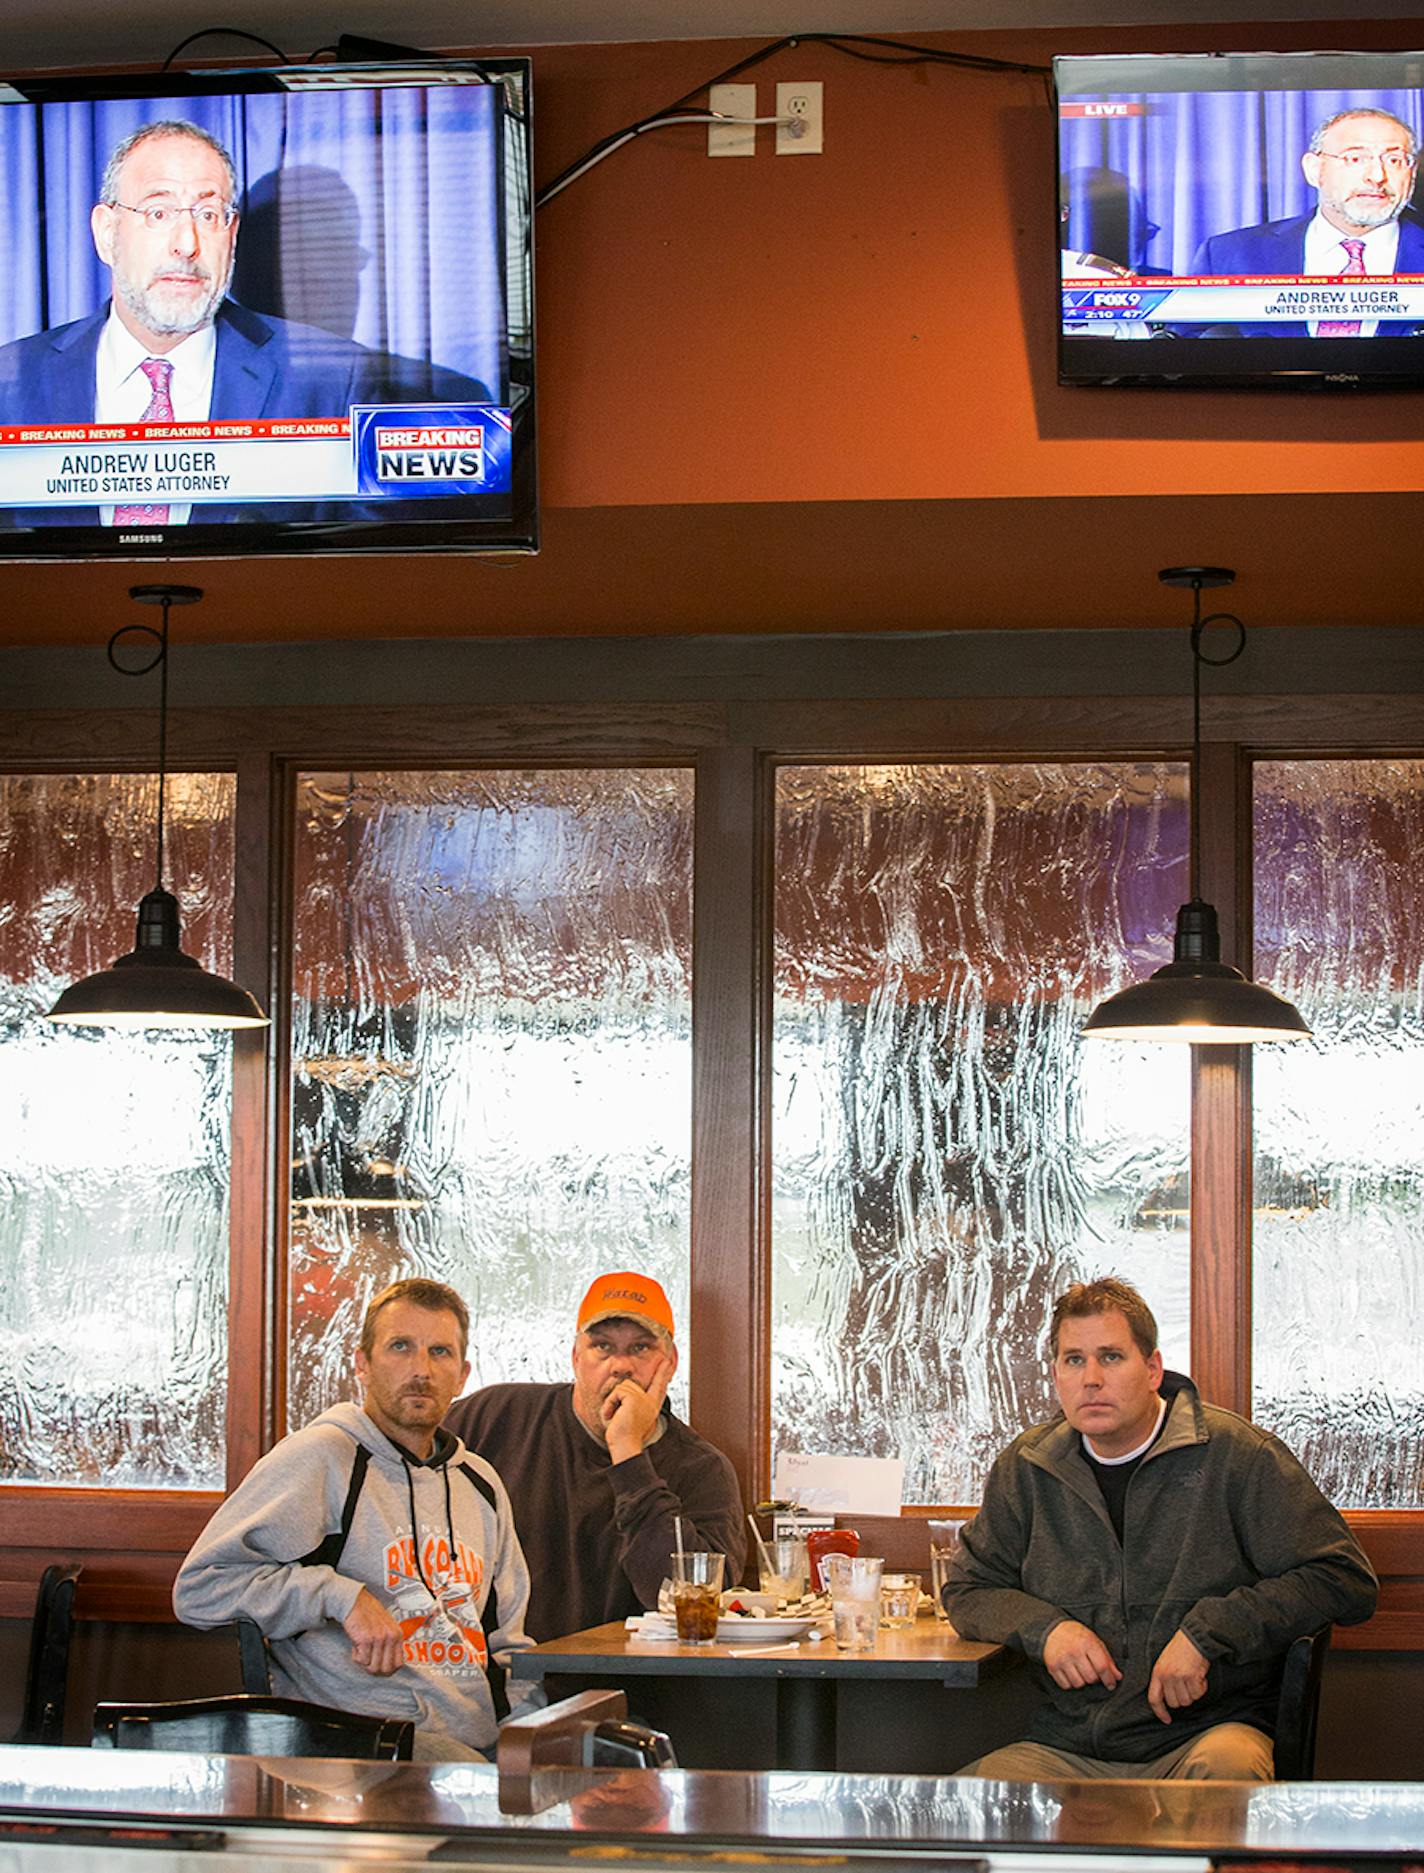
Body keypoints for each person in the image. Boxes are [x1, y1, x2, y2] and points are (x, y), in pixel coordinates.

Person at [944, 1276, 1377, 1782]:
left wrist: (1205, 1636)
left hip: (1208, 1736)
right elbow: (968, 1588)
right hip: (1069, 1746)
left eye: (1111, 1357)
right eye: (1073, 1359)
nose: (1091, 1379)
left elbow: (1343, 1579)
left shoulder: (1237, 1456)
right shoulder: (1028, 1466)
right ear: (1056, 1374)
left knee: (1227, 1777)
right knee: (966, 1811)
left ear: (1152, 1369)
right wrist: (1048, 1631)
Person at [0, 118, 489, 524]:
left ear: (231, 236)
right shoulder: (12, 382)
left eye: (209, 214)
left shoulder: (333, 383)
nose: (186, 243)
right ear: (107, 233)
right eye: (159, 212)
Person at [174, 1277, 535, 1762]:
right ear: (362, 1363)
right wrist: (343, 1597)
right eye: (400, 1347)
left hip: (474, 1740)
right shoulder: (321, 1458)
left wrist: (531, 1738)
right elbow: (200, 1588)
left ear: (463, 1373)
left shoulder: (480, 1483)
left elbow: (507, 1640)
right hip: (357, 1741)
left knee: (609, 1755)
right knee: (471, 1779)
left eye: (440, 1352)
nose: (421, 1370)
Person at [444, 1271, 746, 1641]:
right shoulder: (494, 1417)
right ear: (575, 1357)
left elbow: (691, 1609)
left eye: (641, 1348)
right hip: (504, 1680)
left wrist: (628, 1454)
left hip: (633, 1690)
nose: (621, 1366)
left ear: (669, 1361)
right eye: (602, 1346)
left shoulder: (702, 1470)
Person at [1191, 107, 1424, 336]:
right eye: (1355, 158)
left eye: (1394, 160)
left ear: (1411, 174)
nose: (1377, 176)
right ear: (1314, 170)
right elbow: (1184, 357)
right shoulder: (1228, 254)